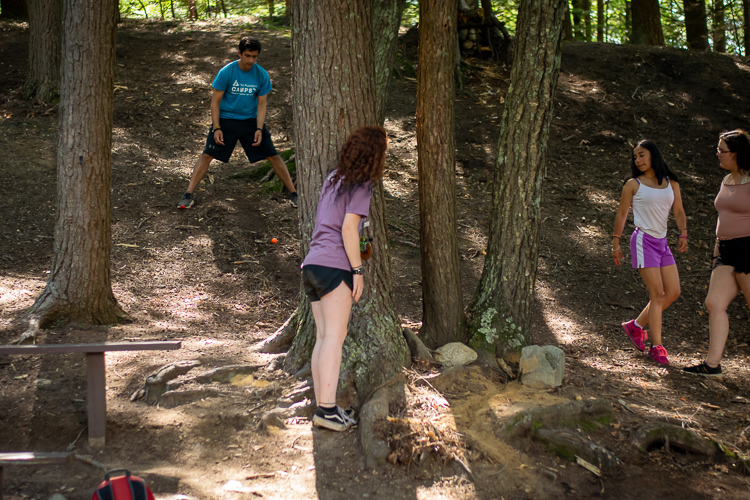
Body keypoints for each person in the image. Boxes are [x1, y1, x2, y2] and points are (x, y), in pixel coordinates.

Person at [301, 126, 388, 431]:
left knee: (324, 338)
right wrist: (358, 271)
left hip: (312, 265)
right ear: (375, 156)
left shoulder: (333, 179)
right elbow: (348, 229)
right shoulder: (363, 185)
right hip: (335, 267)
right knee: (334, 340)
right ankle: (326, 410)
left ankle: (322, 405)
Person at [177, 37, 297, 209]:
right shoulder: (227, 72)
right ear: (239, 53)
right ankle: (188, 194)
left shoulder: (261, 74)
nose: (251, 60)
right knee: (206, 155)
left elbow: (262, 104)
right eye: (247, 56)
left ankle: (294, 194)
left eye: (255, 57)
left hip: (250, 121)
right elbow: (215, 102)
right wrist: (217, 127)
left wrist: (259, 128)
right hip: (226, 120)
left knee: (274, 155)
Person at [612, 140, 688, 365]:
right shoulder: (633, 184)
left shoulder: (671, 182)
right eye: (635, 157)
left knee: (672, 291)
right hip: (643, 241)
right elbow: (622, 214)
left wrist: (683, 233)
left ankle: (635, 326)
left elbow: (679, 211)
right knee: (657, 295)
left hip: (662, 242)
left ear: (653, 155)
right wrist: (615, 243)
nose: (638, 160)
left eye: (642, 155)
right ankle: (657, 347)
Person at [684, 130, 750, 378]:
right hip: (725, 250)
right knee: (714, 303)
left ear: (735, 153)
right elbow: (722, 218)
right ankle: (713, 366)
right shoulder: (726, 180)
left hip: (747, 250)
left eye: (721, 150)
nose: (717, 154)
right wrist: (715, 253)